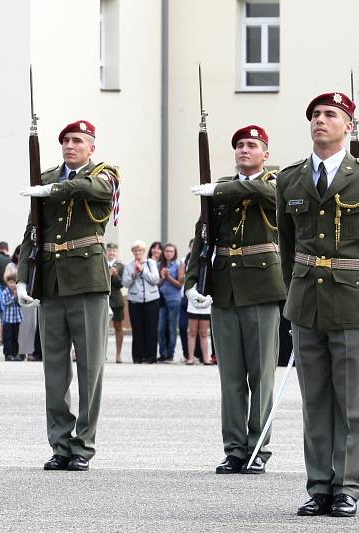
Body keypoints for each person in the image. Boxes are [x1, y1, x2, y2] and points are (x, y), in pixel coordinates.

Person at [276, 91, 359, 518]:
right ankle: (319, 486)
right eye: (315, 115)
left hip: (352, 302)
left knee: (352, 402)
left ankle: (348, 486)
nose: (320, 121)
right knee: (315, 402)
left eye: (331, 115)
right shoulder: (290, 179)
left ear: (349, 125)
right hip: (306, 301)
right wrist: (289, 296)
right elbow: (287, 247)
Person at [17, 119, 118, 471]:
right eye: (65, 141)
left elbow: (97, 191)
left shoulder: (104, 175)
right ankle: (60, 444)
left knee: (90, 368)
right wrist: (22, 278)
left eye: (78, 141)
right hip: (51, 282)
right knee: (55, 370)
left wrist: (53, 190)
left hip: (87, 280)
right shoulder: (44, 179)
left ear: (92, 146)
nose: (70, 146)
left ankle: (83, 444)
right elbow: (32, 231)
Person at [185, 123, 286, 474]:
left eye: (252, 145)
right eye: (240, 145)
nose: (245, 150)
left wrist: (220, 189)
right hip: (225, 287)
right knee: (230, 376)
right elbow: (202, 236)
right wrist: (193, 281)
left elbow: (268, 196)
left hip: (262, 287)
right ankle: (233, 448)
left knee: (261, 375)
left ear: (265, 154)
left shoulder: (276, 181)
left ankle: (257, 447)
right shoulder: (220, 190)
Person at [122, 240, 161, 364]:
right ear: (133, 252)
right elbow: (125, 283)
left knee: (151, 329)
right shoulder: (128, 265)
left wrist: (143, 271)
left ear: (144, 252)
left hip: (151, 300)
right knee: (137, 329)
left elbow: (155, 279)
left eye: (140, 250)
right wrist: (134, 274)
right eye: (135, 251)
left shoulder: (151, 263)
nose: (138, 253)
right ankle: (138, 357)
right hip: (135, 301)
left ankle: (151, 357)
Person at [157, 243, 184, 363]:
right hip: (161, 299)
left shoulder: (179, 264)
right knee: (160, 328)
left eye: (171, 251)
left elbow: (179, 284)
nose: (168, 253)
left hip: (174, 300)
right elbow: (156, 283)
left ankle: (170, 354)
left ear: (175, 253)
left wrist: (168, 277)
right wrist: (163, 277)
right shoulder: (159, 265)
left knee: (172, 328)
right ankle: (162, 353)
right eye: (166, 251)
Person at [105, 243, 125, 363]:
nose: (111, 253)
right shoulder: (102, 263)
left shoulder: (120, 266)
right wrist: (108, 273)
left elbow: (120, 284)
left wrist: (115, 275)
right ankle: (102, 354)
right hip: (104, 299)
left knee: (118, 327)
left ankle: (118, 354)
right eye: (109, 250)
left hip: (116, 300)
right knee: (102, 329)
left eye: (114, 251)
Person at [1, 274, 22, 361]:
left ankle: (15, 353)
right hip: (8, 319)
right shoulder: (5, 292)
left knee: (15, 337)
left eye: (14, 282)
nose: (12, 284)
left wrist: (17, 298)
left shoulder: (17, 292)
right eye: (10, 282)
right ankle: (8, 354)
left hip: (16, 319)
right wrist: (14, 297)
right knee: (7, 337)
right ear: (7, 283)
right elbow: (5, 303)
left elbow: (20, 304)